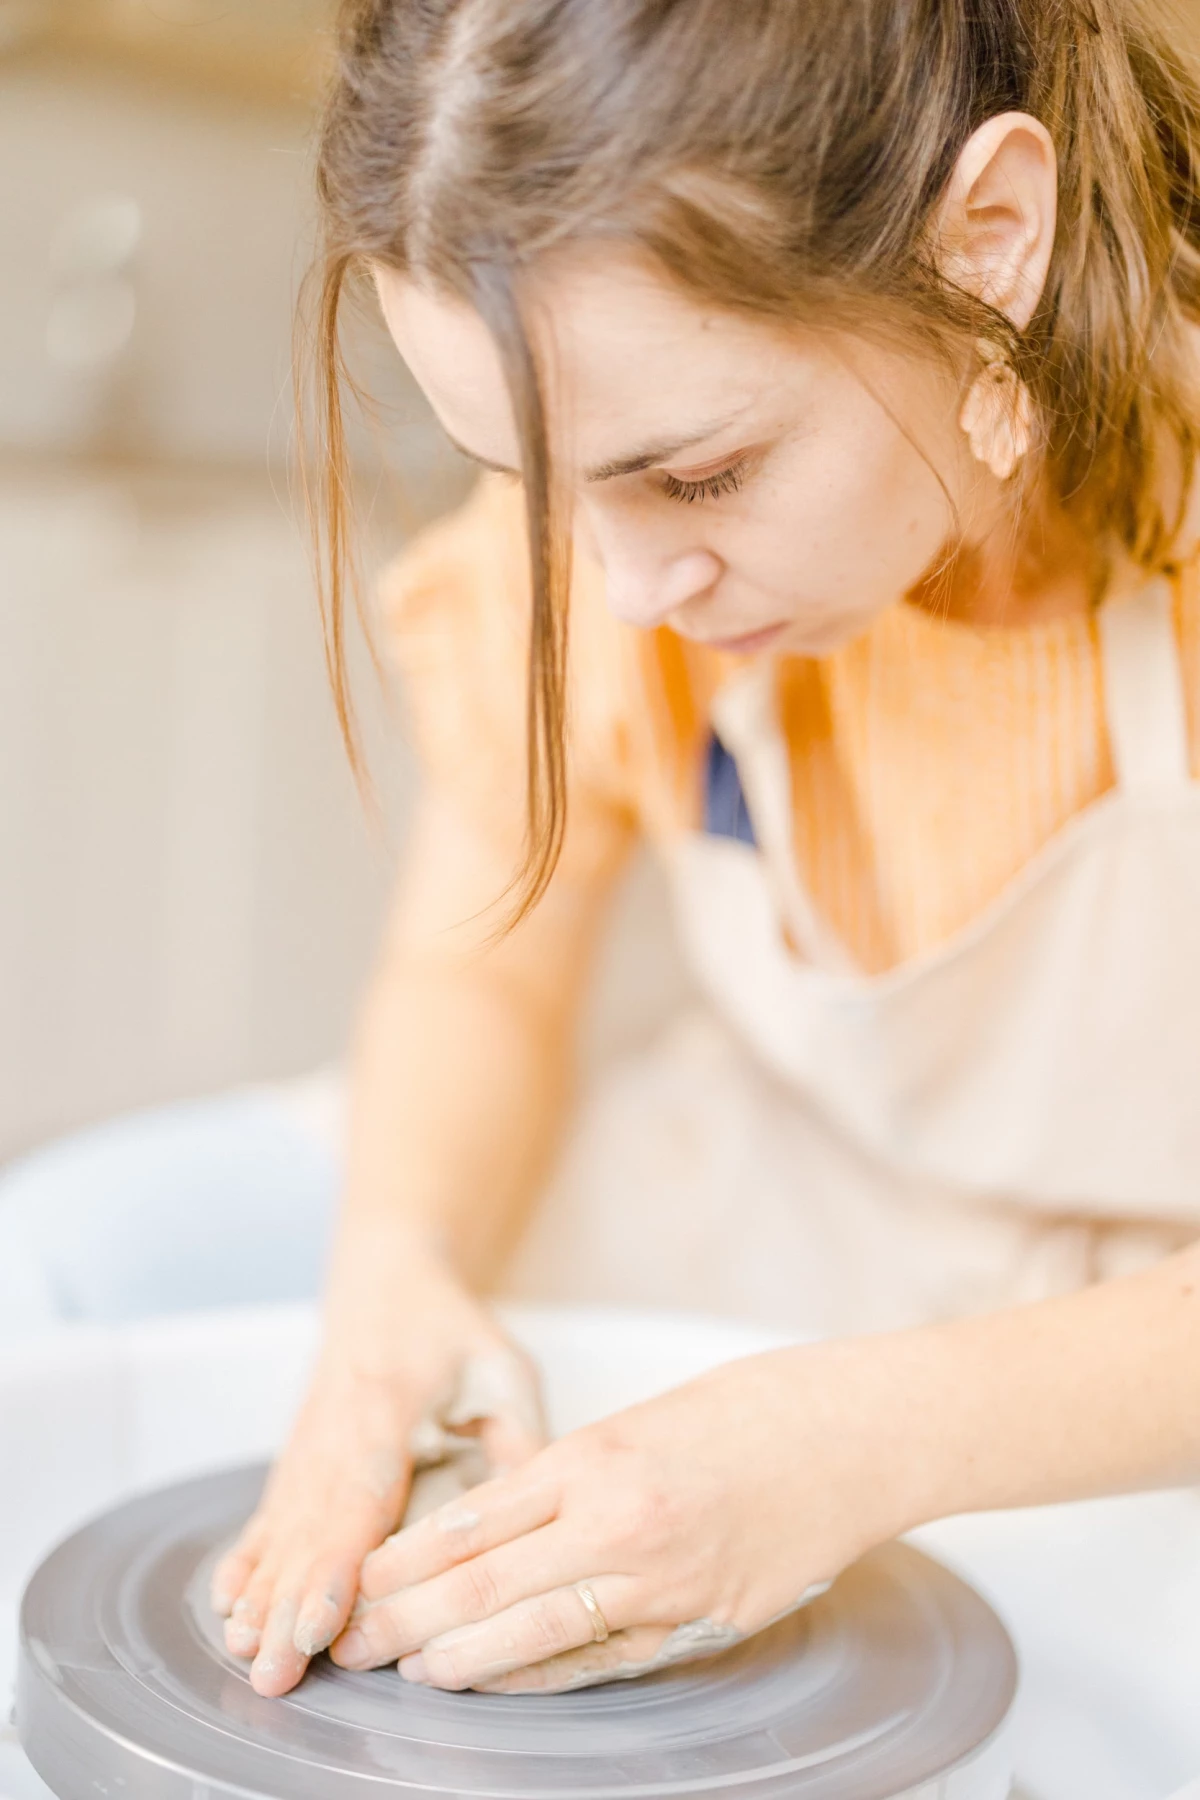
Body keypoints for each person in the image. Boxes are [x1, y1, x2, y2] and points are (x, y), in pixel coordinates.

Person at [5, 0, 1200, 1745]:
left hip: (1135, 1323)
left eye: (700, 474)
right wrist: (395, 1274)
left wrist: (849, 1442)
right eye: (538, 488)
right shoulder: (613, 538)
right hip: (781, 1176)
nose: (628, 589)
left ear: (989, 244)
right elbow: (482, 966)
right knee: (71, 1257)